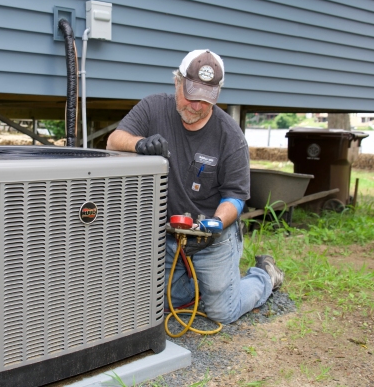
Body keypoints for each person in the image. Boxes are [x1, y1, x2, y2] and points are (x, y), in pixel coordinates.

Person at [106, 49, 284, 324]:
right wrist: (139, 144)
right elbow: (114, 139)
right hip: (167, 233)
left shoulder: (230, 137)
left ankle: (264, 276)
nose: (197, 106)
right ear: (177, 82)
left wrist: (212, 226)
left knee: (223, 311)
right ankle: (201, 284)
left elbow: (235, 198)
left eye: (206, 99)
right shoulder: (153, 108)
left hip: (212, 236)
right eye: (191, 95)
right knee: (152, 302)